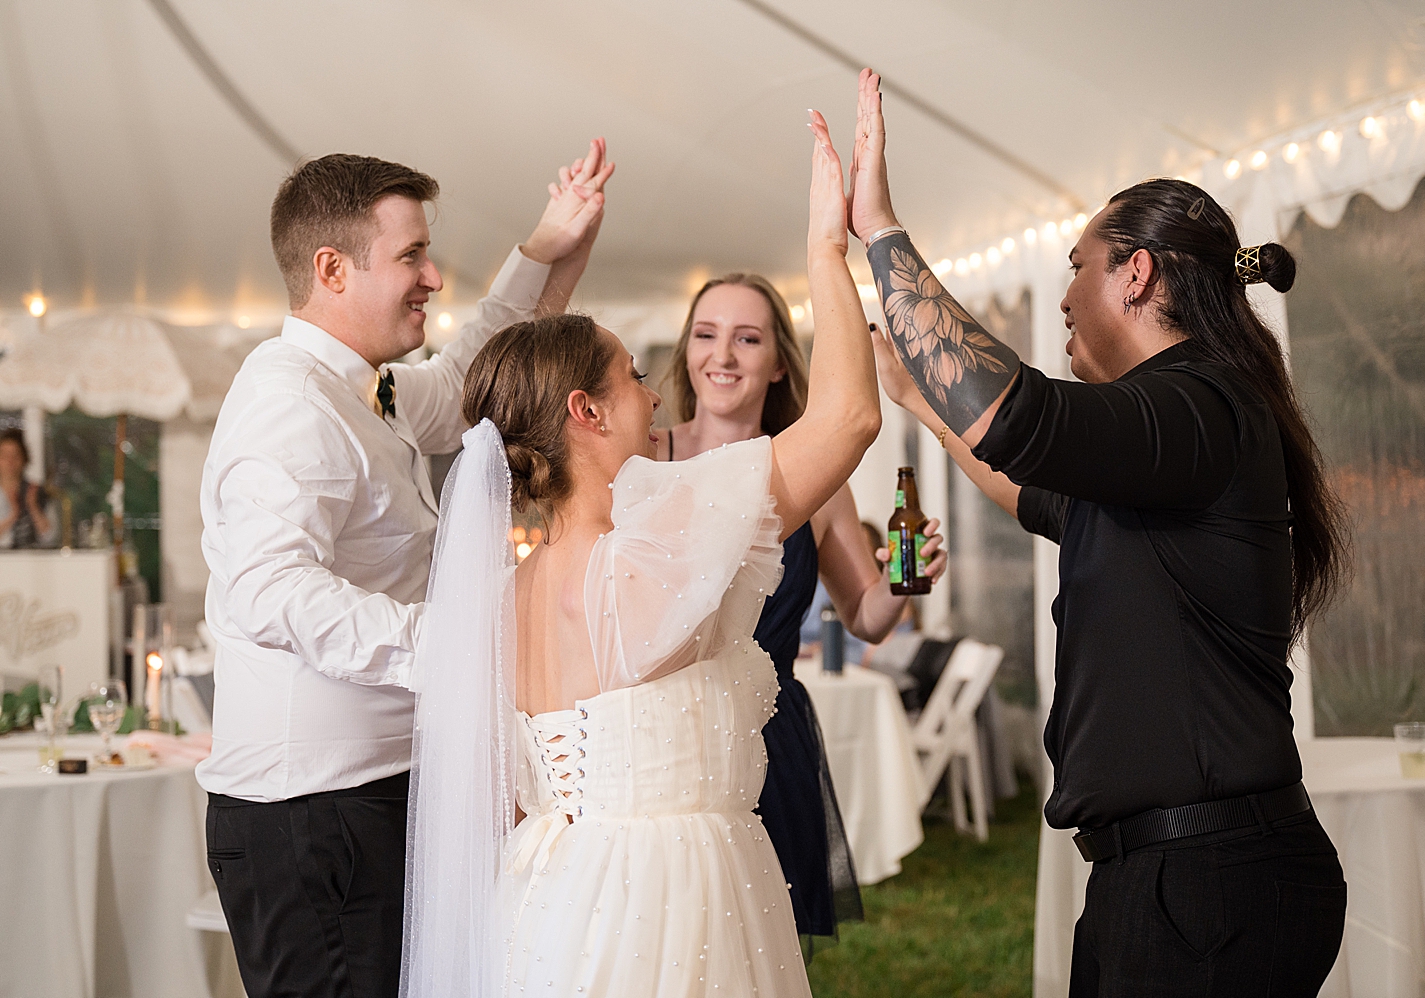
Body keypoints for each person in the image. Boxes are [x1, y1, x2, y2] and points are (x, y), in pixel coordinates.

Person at [847, 69, 1349, 996]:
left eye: (1077, 265)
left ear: (1137, 272)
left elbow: (1026, 420)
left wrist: (881, 231)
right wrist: (921, 397)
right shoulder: (1165, 436)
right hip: (1181, 881)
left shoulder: (1199, 405)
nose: (1067, 297)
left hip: (1207, 888)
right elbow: (1032, 489)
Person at [400, 109, 881, 998]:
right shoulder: (654, 546)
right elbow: (849, 417)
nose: (653, 393)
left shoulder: (503, 596)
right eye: (629, 376)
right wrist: (828, 248)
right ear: (585, 412)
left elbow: (506, 798)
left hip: (545, 900)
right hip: (671, 905)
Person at [197, 141, 613, 998]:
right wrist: (466, 646)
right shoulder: (287, 407)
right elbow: (271, 591)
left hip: (369, 800)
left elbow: (466, 381)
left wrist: (547, 251)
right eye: (410, 255)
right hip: (312, 820)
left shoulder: (363, 388)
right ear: (332, 269)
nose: (433, 275)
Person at [657, 274, 947, 952]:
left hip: (768, 739)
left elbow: (865, 616)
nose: (722, 355)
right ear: (687, 350)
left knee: (763, 950)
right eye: (706, 334)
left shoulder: (818, 479)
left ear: (780, 361)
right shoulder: (645, 457)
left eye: (747, 338)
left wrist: (905, 584)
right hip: (667, 740)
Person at [0, 428, 55, 548]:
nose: (10, 461)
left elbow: (51, 537)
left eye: (15, 455)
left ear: (24, 458)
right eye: (4, 456)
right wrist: (13, 515)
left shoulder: (37, 492)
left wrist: (33, 506)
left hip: (30, 561)